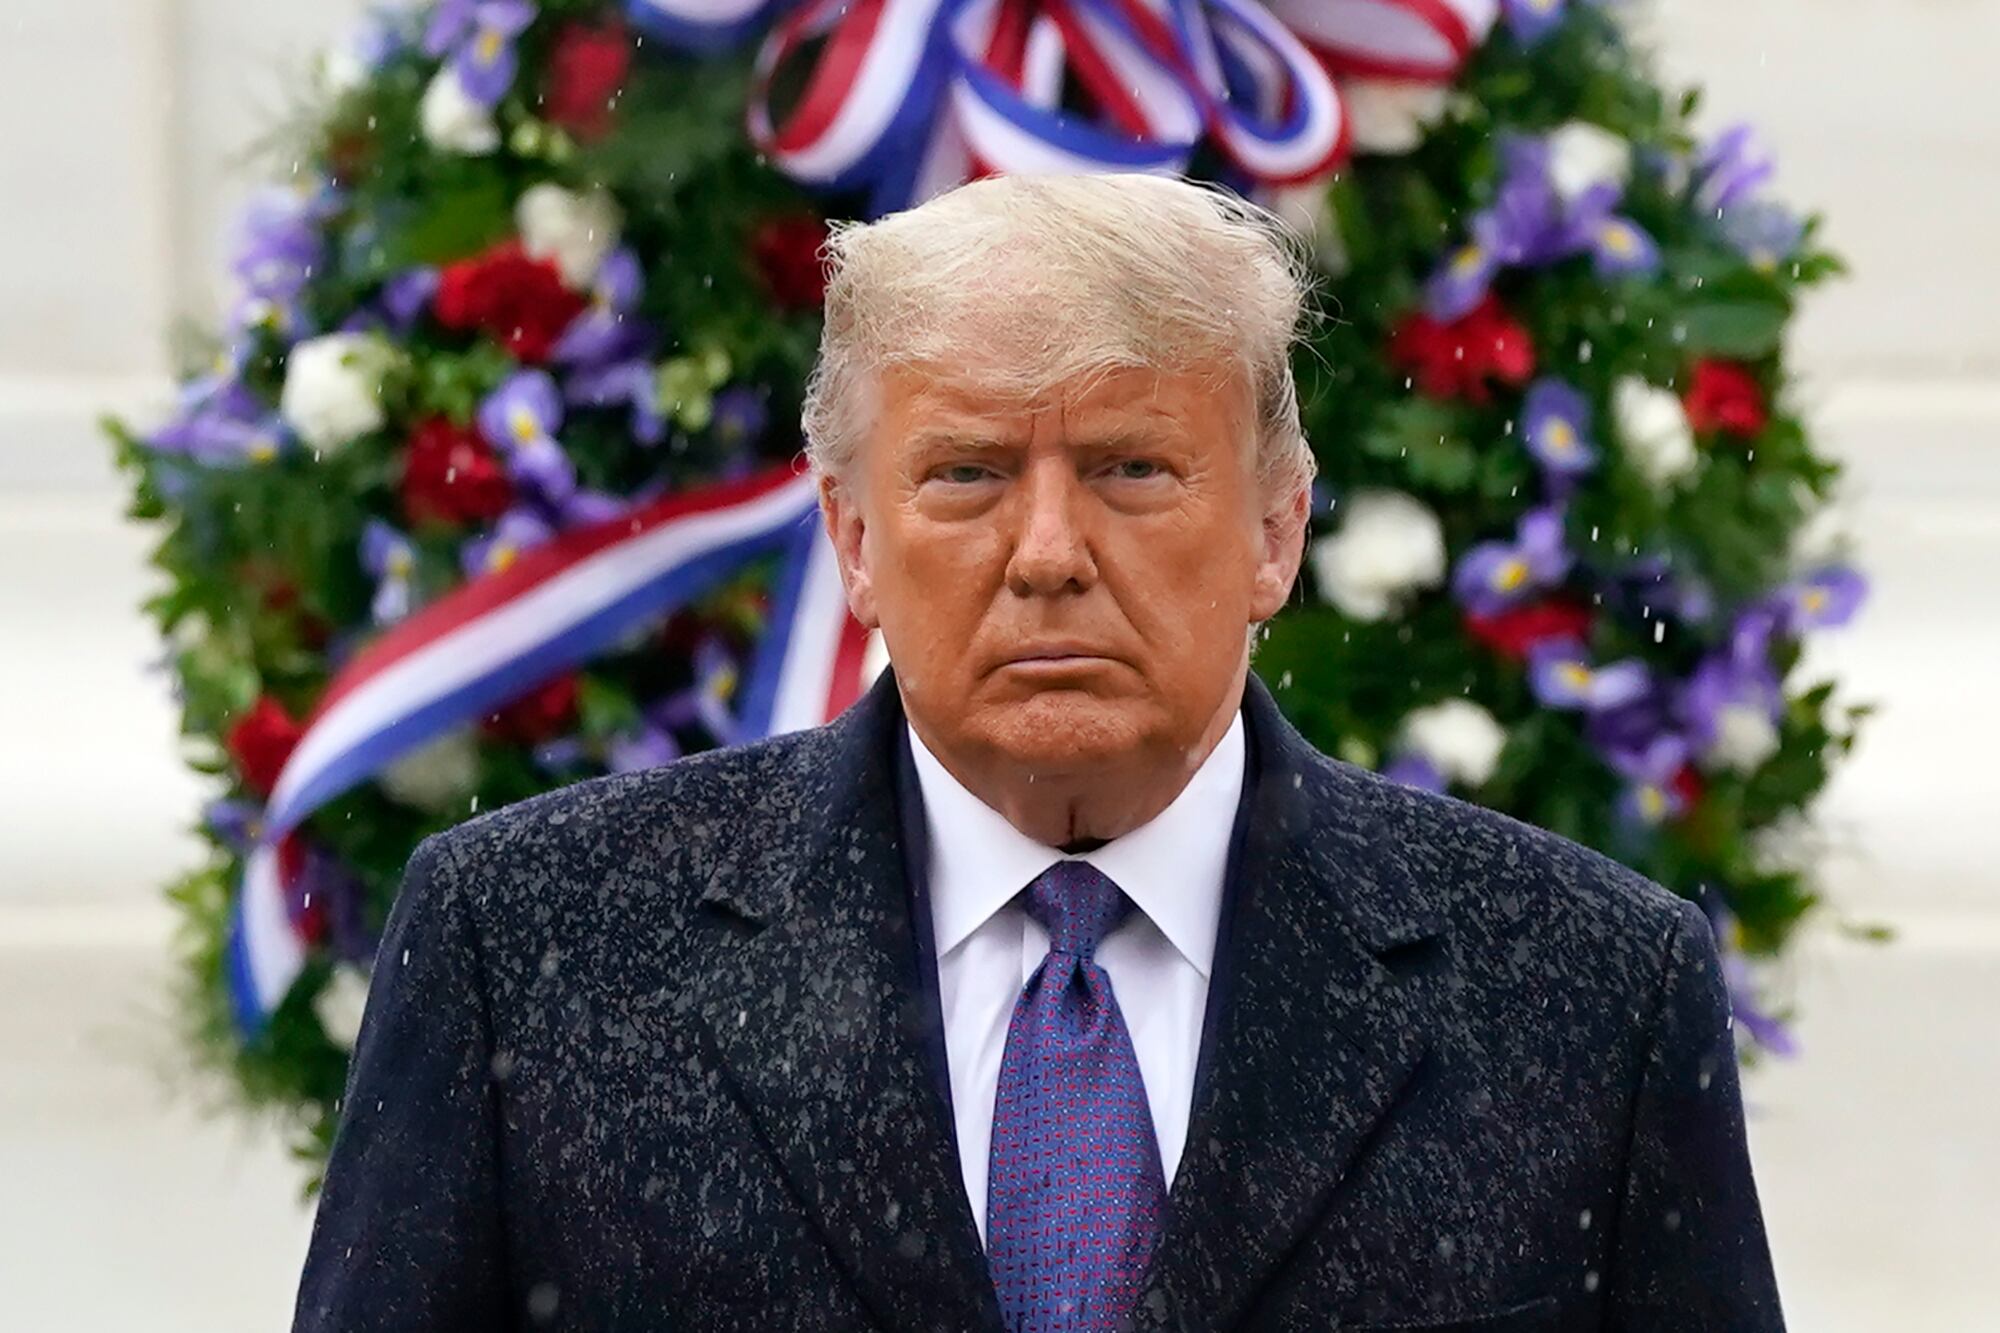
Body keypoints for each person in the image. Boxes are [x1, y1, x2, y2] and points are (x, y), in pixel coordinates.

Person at [294, 172, 1783, 1332]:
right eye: (968, 473)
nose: (1051, 551)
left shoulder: (1589, 991)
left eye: (1134, 468)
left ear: (1277, 528)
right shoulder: (532, 948)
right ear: (854, 537)